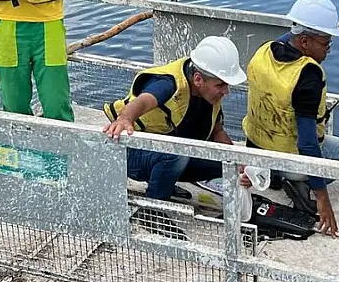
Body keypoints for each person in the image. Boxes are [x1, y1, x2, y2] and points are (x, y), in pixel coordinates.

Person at [241, 0, 339, 237]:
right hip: (292, 160)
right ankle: (299, 181)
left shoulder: (263, 52)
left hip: (257, 153)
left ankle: (278, 177)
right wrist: (322, 198)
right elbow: (307, 144)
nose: (328, 50)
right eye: (325, 43)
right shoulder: (308, 76)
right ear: (304, 41)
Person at [102, 36, 250, 237]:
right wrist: (125, 118)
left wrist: (240, 164)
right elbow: (144, 101)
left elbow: (216, 132)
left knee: (225, 165)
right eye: (221, 85)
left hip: (168, 153)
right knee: (175, 154)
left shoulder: (208, 92)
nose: (226, 91)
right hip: (132, 155)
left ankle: (167, 182)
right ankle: (152, 210)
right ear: (198, 79)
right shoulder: (169, 84)